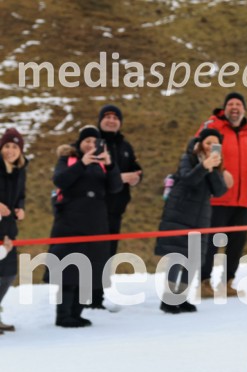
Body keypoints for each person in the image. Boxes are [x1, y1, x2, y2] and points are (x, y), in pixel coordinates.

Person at [49, 126, 123, 327]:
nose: (91, 145)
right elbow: (60, 180)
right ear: (79, 143)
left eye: (95, 142)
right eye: (87, 141)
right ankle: (63, 315)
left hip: (96, 224)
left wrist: (110, 165)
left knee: (89, 271)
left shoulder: (103, 164)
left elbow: (116, 187)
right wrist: (82, 163)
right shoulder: (69, 159)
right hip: (70, 223)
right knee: (69, 271)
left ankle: (77, 313)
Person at [198, 92, 247, 298]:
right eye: (231, 104)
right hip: (218, 197)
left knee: (236, 244)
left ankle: (228, 282)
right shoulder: (213, 126)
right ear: (225, 108)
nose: (235, 107)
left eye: (238, 104)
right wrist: (220, 168)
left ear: (244, 109)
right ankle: (204, 283)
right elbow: (198, 149)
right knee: (211, 243)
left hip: (243, 199)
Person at [156, 128, 229, 314]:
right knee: (176, 256)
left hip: (201, 216)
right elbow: (188, 180)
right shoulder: (188, 158)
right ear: (200, 144)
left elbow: (220, 191)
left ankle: (182, 297)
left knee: (193, 259)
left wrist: (212, 169)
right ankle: (169, 299)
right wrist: (204, 166)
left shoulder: (215, 164)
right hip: (180, 213)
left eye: (215, 144)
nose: (211, 147)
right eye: (208, 143)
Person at [89, 104, 143, 309]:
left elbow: (137, 170)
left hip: (116, 210)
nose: (111, 120)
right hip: (95, 209)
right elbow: (91, 176)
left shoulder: (125, 146)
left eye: (115, 117)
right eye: (107, 117)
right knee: (92, 255)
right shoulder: (94, 143)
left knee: (108, 255)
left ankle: (97, 298)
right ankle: (87, 299)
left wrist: (136, 178)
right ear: (100, 120)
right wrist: (121, 177)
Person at [0, 127, 26, 333]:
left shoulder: (20, 171)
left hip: (8, 230)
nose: (10, 150)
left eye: (14, 147)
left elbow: (21, 195)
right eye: (7, 146)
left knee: (8, 274)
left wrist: (20, 208)